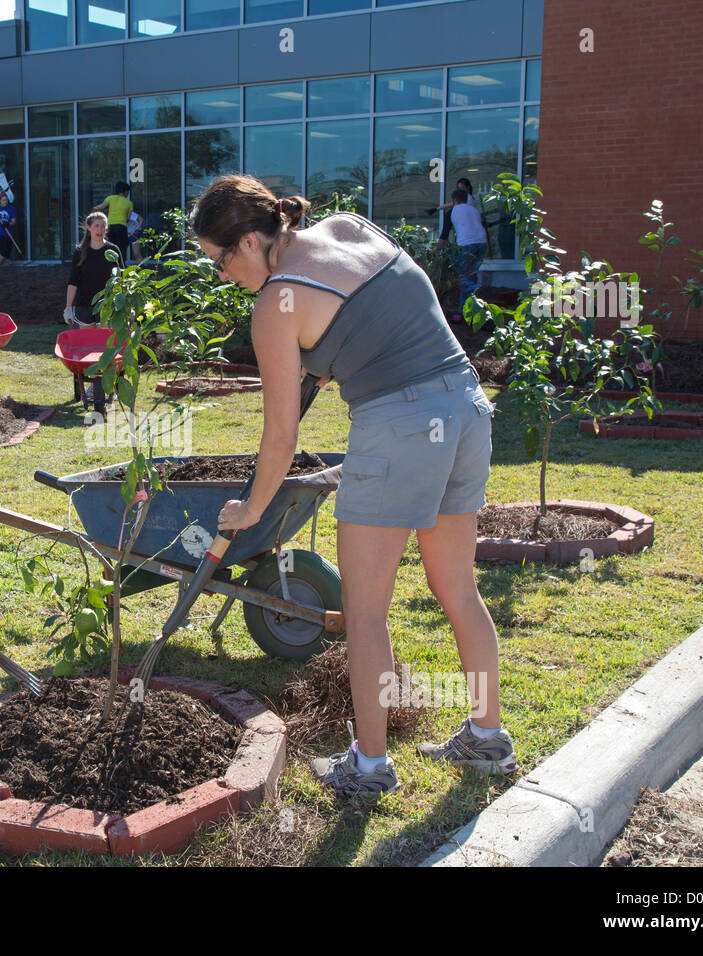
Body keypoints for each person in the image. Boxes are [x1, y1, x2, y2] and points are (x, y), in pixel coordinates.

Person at [190, 174, 514, 796]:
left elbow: (279, 438)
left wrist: (250, 509)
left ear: (253, 241)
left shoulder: (274, 304)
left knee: (364, 613)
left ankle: (369, 767)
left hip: (400, 427)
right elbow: (384, 320)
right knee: (459, 592)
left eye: (223, 260)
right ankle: (487, 736)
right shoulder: (350, 227)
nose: (223, 275)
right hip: (466, 407)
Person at [63, 211, 121, 327]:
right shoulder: (80, 252)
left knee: (105, 343)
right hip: (84, 305)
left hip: (107, 304)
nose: (100, 230)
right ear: (89, 227)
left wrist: (124, 305)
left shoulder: (113, 250)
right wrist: (68, 307)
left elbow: (120, 279)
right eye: (96, 226)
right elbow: (73, 281)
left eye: (103, 226)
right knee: (88, 343)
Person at [443, 187, 489, 304]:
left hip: (467, 244)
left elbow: (444, 234)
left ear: (454, 200)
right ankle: (466, 310)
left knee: (462, 277)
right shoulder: (474, 210)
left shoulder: (452, 211)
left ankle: (476, 290)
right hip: (482, 243)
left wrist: (436, 249)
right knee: (471, 276)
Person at [92, 181, 133, 264]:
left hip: (110, 227)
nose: (128, 193)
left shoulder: (110, 198)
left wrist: (96, 216)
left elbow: (99, 207)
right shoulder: (129, 203)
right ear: (125, 191)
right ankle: (121, 268)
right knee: (121, 250)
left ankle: (110, 267)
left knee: (110, 249)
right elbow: (128, 219)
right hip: (121, 227)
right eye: (128, 191)